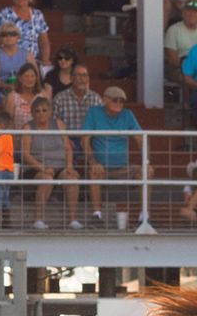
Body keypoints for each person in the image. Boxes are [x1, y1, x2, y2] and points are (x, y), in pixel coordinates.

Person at [81, 86, 143, 225]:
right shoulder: (94, 113)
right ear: (105, 99)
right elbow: (85, 139)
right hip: (101, 167)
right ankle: (97, 215)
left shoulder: (127, 114)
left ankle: (144, 216)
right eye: (115, 100)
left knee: (147, 171)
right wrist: (92, 162)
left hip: (123, 168)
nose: (119, 103)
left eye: (122, 101)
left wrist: (146, 160)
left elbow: (140, 138)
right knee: (94, 171)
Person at [24, 95, 82, 230]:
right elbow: (26, 154)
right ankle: (38, 219)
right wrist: (42, 168)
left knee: (72, 179)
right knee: (47, 179)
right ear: (32, 113)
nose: (41, 113)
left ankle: (73, 219)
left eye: (44, 110)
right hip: (37, 167)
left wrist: (69, 166)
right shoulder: (28, 127)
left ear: (50, 112)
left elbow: (68, 147)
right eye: (37, 111)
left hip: (61, 165)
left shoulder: (59, 124)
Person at [0, 0, 50, 64]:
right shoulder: (5, 13)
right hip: (9, 60)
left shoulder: (38, 15)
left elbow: (44, 41)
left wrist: (45, 61)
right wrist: (1, 59)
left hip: (32, 61)